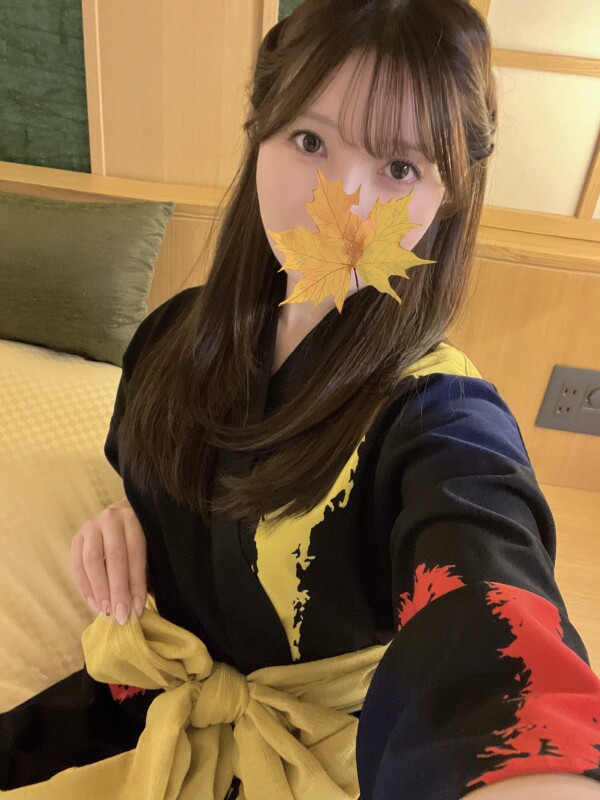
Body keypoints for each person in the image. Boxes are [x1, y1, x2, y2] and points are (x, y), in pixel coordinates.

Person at [2, 1, 600, 798]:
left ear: (448, 197)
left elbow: (491, 613)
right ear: (260, 134)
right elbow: (144, 474)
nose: (342, 202)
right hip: (141, 698)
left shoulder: (438, 416)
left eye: (399, 168)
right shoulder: (169, 336)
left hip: (304, 761)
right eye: (311, 142)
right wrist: (129, 513)